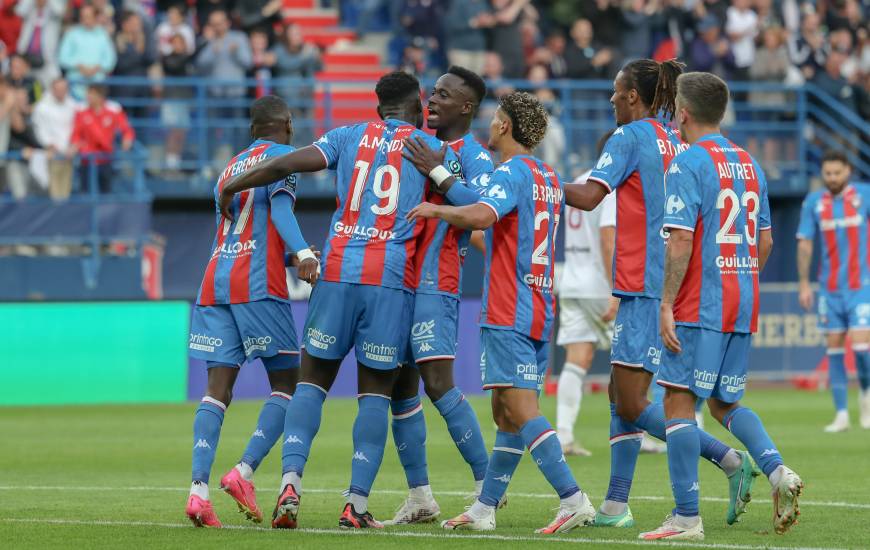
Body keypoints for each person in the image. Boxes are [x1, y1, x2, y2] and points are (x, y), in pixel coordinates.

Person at [218, 71, 457, 530]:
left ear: (377, 107)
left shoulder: (347, 135)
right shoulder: (430, 150)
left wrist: (235, 184)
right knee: (374, 394)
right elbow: (466, 202)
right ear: (417, 104)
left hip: (337, 271)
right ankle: (356, 504)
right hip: (388, 282)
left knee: (310, 385)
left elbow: (285, 165)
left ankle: (290, 483)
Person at [562, 58, 756, 528]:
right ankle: (614, 504)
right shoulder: (673, 137)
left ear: (633, 96)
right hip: (662, 283)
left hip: (644, 284)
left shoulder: (631, 137)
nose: (611, 99)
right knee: (617, 392)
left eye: (616, 90)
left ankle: (727, 459)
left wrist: (538, 180)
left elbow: (589, 196)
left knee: (631, 402)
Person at [402, 91, 596, 534]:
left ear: (505, 126)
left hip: (508, 305)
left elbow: (482, 216)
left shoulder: (510, 172)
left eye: (494, 119)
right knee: (504, 414)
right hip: (540, 300)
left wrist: (438, 207)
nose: (489, 125)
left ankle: (572, 498)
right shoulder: (546, 175)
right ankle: (485, 507)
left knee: (519, 407)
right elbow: (498, 223)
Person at [643, 71, 803, 540]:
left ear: (684, 113)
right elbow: (767, 241)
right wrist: (739, 275)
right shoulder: (750, 163)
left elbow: (680, 242)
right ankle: (777, 473)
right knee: (724, 401)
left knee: (677, 400)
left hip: (701, 303)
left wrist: (667, 303)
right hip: (742, 298)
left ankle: (686, 516)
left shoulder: (688, 163)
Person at [185, 95, 320, 528]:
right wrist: (302, 252)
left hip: (214, 282)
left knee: (216, 389)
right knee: (289, 383)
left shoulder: (228, 169)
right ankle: (243, 472)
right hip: (256, 287)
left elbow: (242, 233)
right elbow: (279, 211)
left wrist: (291, 256)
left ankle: (197, 493)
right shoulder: (285, 158)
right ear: (286, 122)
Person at [385, 66, 494, 525]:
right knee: (399, 388)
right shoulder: (414, 142)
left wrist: (435, 169)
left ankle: (489, 485)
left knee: (437, 382)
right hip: (398, 280)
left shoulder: (474, 154)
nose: (432, 100)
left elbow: (483, 207)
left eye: (444, 96)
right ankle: (421, 497)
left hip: (438, 280)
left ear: (466, 107)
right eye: (433, 93)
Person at [797, 150, 870, 432]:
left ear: (848, 171)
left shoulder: (864, 195)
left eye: (837, 173)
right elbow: (804, 243)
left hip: (861, 287)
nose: (832, 178)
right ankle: (841, 414)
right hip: (829, 289)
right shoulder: (814, 202)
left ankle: (865, 396)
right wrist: (804, 283)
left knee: (863, 350)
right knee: (835, 351)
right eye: (827, 173)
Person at [555, 131, 617, 458]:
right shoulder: (611, 187)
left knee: (577, 360)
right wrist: (616, 289)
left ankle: (564, 434)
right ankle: (640, 432)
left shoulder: (579, 181)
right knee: (640, 358)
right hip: (600, 285)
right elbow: (608, 239)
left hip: (572, 280)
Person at [69, 84, 134, 194]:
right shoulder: (81, 110)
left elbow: (126, 129)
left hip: (106, 158)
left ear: (100, 96)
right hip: (87, 159)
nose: (88, 97)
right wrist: (75, 144)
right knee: (85, 192)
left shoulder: (113, 109)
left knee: (105, 192)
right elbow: (76, 133)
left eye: (91, 94)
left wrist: (127, 139)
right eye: (88, 94)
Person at [57, 4, 117, 100]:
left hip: (98, 86)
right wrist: (79, 66)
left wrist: (97, 67)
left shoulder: (103, 35)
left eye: (89, 17)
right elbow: (62, 58)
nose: (86, 20)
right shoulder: (71, 34)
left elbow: (110, 61)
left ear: (95, 17)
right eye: (83, 17)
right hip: (74, 86)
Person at [32, 77, 78, 200]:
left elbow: (76, 129)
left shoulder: (73, 105)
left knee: (66, 190)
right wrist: (50, 145)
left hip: (69, 154)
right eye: (58, 89)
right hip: (50, 154)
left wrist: (72, 146)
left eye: (63, 89)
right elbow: (39, 130)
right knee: (53, 190)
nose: (60, 92)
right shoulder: (42, 107)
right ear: (52, 89)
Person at [15, 0, 65, 87]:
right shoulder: (30, 10)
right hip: (27, 58)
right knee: (24, 88)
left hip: (47, 60)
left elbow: (60, 11)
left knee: (53, 86)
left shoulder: (52, 13)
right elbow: (19, 11)